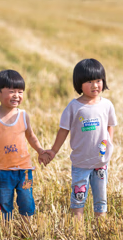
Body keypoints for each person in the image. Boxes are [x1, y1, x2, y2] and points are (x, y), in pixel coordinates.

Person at [41, 59, 117, 220]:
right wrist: (53, 151)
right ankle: (78, 229)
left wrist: (109, 143)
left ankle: (101, 227)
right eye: (89, 81)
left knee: (101, 198)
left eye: (98, 80)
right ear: (79, 84)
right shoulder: (74, 107)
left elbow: (111, 125)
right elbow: (63, 130)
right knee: (78, 199)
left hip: (101, 162)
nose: (95, 85)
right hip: (80, 163)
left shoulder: (107, 105)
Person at [0, 70, 46, 219]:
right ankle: (6, 229)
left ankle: (26, 227)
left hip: (25, 171)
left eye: (20, 91)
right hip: (3, 171)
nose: (17, 95)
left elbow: (31, 136)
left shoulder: (23, 115)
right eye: (12, 91)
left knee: (27, 200)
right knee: (4, 203)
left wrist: (40, 150)